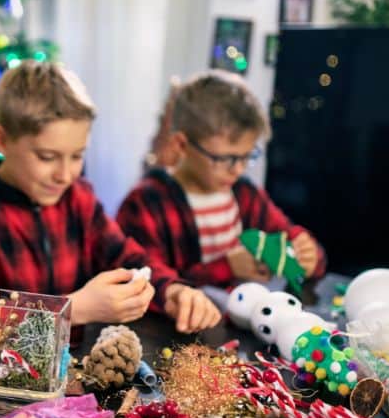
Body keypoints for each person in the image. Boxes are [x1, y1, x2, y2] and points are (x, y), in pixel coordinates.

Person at [0, 61, 220, 345]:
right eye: (47, 157)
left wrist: (173, 292)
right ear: (1, 140)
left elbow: (127, 258)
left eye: (77, 156)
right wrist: (73, 309)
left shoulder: (78, 198)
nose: (65, 175)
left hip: (71, 376)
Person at [116, 69, 326, 290]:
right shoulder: (146, 205)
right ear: (181, 145)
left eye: (247, 156)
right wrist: (227, 267)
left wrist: (307, 253)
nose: (238, 170)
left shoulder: (244, 195)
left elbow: (289, 236)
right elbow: (148, 286)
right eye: (225, 158)